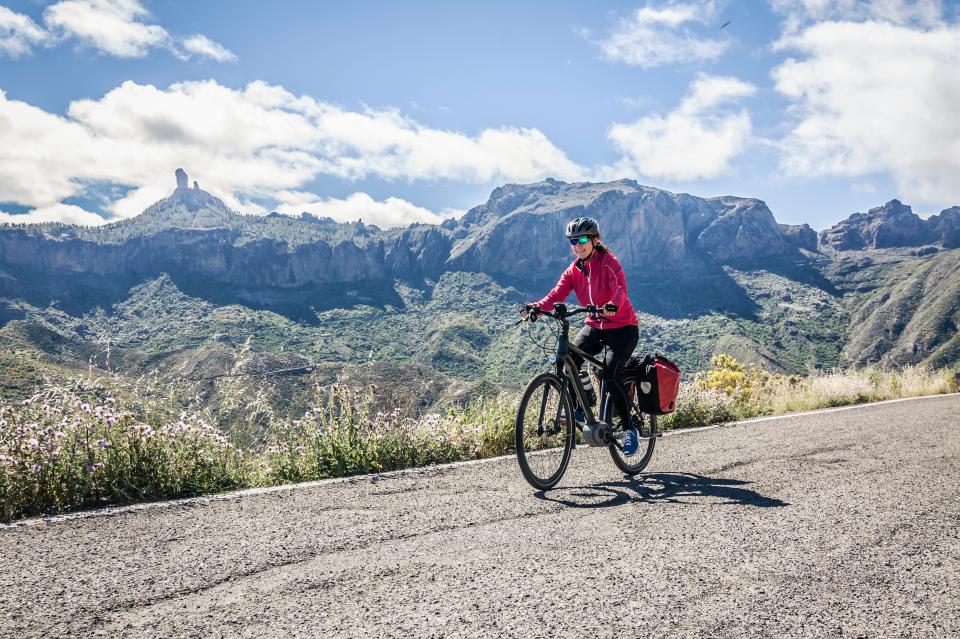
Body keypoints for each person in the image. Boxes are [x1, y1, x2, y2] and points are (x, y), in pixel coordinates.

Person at [523, 217, 641, 454]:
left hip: (622, 327)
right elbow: (557, 293)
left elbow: (620, 288)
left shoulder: (609, 262)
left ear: (595, 240)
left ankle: (630, 430)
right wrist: (537, 307)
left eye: (583, 239)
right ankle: (581, 405)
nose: (578, 245)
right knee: (570, 360)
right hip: (595, 325)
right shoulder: (574, 269)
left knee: (609, 374)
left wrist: (612, 305)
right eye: (573, 241)